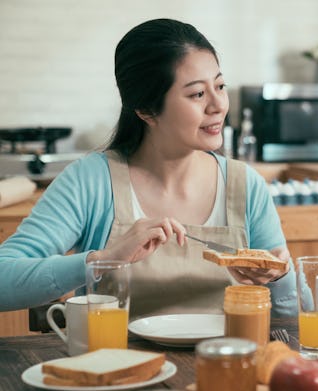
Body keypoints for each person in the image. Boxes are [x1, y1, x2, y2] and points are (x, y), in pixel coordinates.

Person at [0, 18, 296, 317]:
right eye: (197, 94)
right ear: (146, 110)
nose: (218, 104)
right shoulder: (90, 180)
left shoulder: (245, 185)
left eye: (220, 86)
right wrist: (104, 260)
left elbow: (299, 316)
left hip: (228, 362)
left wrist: (280, 278)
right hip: (115, 362)